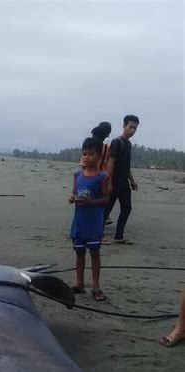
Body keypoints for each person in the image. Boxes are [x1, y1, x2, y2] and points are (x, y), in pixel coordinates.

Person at [69, 137, 110, 301]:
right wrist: (72, 198)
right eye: (84, 154)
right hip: (79, 222)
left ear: (99, 157)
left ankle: (96, 286)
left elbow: (106, 199)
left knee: (94, 253)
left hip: (94, 223)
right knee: (79, 253)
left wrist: (92, 202)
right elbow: (74, 193)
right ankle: (79, 284)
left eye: (91, 154)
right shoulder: (77, 175)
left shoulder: (103, 177)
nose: (87, 157)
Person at [104, 115, 140, 243]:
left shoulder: (129, 144)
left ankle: (119, 236)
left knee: (127, 208)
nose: (132, 130)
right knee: (107, 209)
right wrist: (108, 182)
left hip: (124, 182)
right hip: (114, 182)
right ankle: (96, 234)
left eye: (135, 128)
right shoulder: (116, 142)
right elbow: (111, 163)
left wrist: (132, 180)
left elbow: (126, 165)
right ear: (124, 126)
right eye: (130, 127)